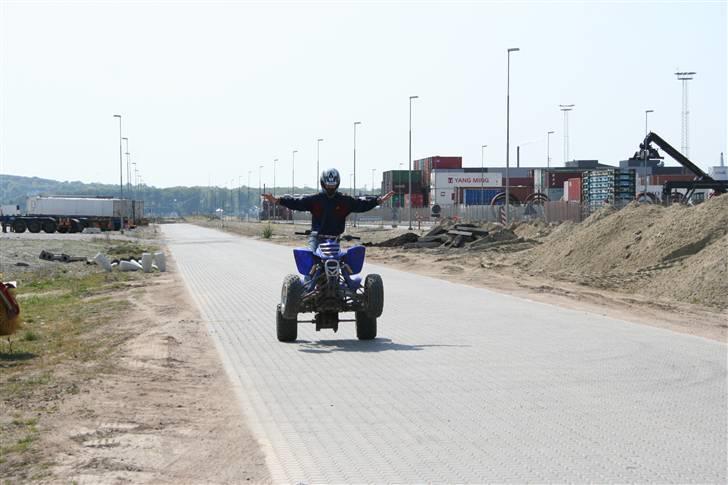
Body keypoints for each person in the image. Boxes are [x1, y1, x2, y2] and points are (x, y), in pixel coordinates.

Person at [262, 168, 395, 251]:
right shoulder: (315, 200)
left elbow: (361, 204)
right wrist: (277, 200)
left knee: (345, 263)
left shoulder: (344, 200)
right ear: (323, 183)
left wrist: (379, 200)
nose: (330, 188)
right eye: (328, 185)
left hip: (335, 240)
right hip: (317, 238)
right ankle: (307, 286)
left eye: (333, 185)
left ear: (337, 184)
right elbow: (297, 202)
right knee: (310, 260)